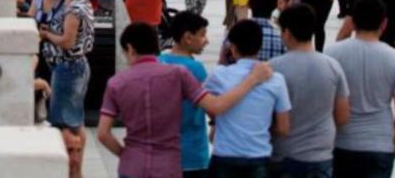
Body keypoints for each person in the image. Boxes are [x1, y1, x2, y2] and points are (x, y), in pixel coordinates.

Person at [96, 22, 272, 178]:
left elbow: (103, 134)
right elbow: (216, 106)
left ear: (130, 49)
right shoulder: (178, 74)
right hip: (168, 166)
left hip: (132, 166)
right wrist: (251, 80)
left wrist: (126, 155)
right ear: (155, 45)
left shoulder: (116, 83)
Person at [325, 0, 395, 178]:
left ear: (353, 22)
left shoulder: (333, 54)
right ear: (384, 23)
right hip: (379, 144)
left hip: (342, 143)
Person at [270, 3, 351, 178]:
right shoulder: (332, 66)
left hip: (284, 154)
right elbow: (343, 116)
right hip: (320, 155)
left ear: (287, 32)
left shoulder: (274, 68)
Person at [205, 18, 292, 177]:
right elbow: (283, 127)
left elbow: (204, 104)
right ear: (259, 46)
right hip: (258, 156)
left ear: (233, 48)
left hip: (224, 155)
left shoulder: (218, 76)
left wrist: (218, 119)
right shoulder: (276, 79)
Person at [38, 0, 95, 134]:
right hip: (74, 66)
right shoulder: (82, 3)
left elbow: (67, 42)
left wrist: (47, 35)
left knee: (64, 120)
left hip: (68, 66)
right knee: (73, 116)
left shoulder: (74, 10)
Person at [159, 11, 213, 178]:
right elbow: (211, 106)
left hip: (162, 153)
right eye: (202, 35)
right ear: (188, 38)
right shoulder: (196, 69)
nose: (207, 40)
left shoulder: (159, 61)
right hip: (192, 153)